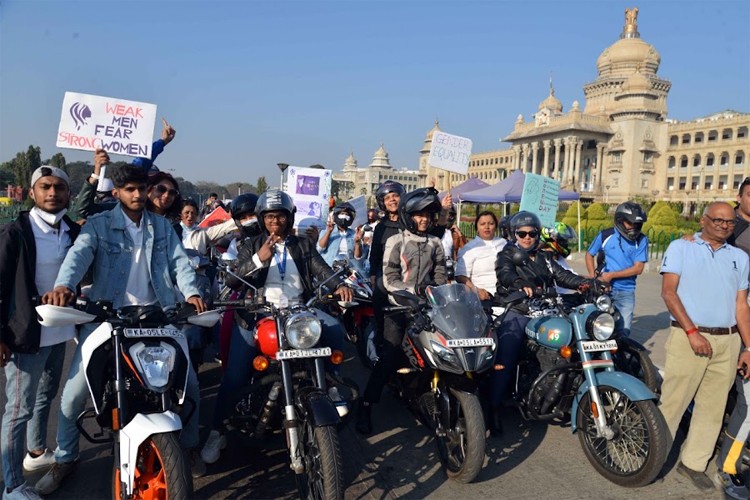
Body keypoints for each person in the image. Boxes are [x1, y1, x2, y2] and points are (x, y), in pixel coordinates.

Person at [35, 164, 208, 495]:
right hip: (108, 317)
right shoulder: (99, 225)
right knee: (72, 396)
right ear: (116, 192)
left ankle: (187, 449)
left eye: (143, 189)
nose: (138, 195)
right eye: (130, 189)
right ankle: (66, 458)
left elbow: (179, 263)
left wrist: (192, 292)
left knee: (191, 388)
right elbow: (77, 257)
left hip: (158, 316)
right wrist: (63, 285)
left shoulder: (161, 226)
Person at [200, 189, 353, 465]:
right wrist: (260, 257)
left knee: (333, 329)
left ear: (288, 217)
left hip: (297, 312)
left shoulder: (302, 245)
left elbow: (320, 269)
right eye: (270, 216)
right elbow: (233, 280)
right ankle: (217, 430)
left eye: (280, 216)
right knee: (234, 377)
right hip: (258, 314)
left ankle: (330, 385)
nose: (275, 221)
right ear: (262, 218)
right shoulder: (251, 243)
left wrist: (338, 285)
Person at [658, 201, 750, 493]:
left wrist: (748, 347)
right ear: (703, 221)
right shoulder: (680, 247)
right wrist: (693, 332)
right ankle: (652, 459)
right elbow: (668, 293)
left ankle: (693, 463)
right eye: (718, 220)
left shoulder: (739, 257)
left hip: (729, 340)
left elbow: (741, 306)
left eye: (729, 223)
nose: (724, 226)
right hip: (689, 337)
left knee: (712, 408)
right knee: (674, 402)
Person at [0, 167, 80, 500]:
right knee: (19, 410)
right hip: (24, 336)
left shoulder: (73, 232)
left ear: (67, 194)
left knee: (47, 395)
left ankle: (35, 453)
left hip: (58, 331)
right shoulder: (15, 232)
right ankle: (11, 484)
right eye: (45, 187)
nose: (53, 193)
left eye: (59, 187)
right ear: (33, 193)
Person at [491, 211, 598, 435]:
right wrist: (519, 283)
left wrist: (587, 283)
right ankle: (493, 407)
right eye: (522, 233)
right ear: (514, 234)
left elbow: (563, 277)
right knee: (506, 358)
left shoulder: (545, 258)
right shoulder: (508, 254)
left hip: (547, 310)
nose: (527, 237)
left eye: (532, 233)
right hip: (519, 310)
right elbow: (505, 274)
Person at [356, 187, 447, 435]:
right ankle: (366, 405)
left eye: (428, 215)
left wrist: (437, 292)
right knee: (390, 355)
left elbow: (440, 275)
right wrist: (410, 291)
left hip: (427, 306)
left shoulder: (435, 242)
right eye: (419, 215)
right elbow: (389, 276)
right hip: (395, 305)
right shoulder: (393, 238)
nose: (424, 219)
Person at [716, 178, 750, 499]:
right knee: (747, 401)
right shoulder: (730, 227)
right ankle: (727, 465)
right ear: (739, 197)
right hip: (733, 318)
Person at [585, 201, 648, 338]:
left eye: (637, 225)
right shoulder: (606, 235)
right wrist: (592, 277)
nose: (634, 228)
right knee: (596, 327)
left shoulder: (641, 240)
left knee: (623, 331)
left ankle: (620, 357)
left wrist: (612, 275)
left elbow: (638, 268)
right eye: (630, 224)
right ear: (620, 221)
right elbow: (589, 254)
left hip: (626, 291)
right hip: (603, 289)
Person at [455, 211, 506, 302]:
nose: (487, 227)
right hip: (484, 296)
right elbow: (460, 276)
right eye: (482, 224)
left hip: (507, 294)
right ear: (477, 227)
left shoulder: (504, 243)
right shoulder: (469, 248)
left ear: (496, 227)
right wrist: (476, 290)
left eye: (491, 224)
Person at [539, 222, 579, 294]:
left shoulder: (558, 257)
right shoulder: (541, 258)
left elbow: (572, 276)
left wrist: (594, 281)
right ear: (552, 239)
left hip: (564, 298)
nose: (566, 244)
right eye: (563, 241)